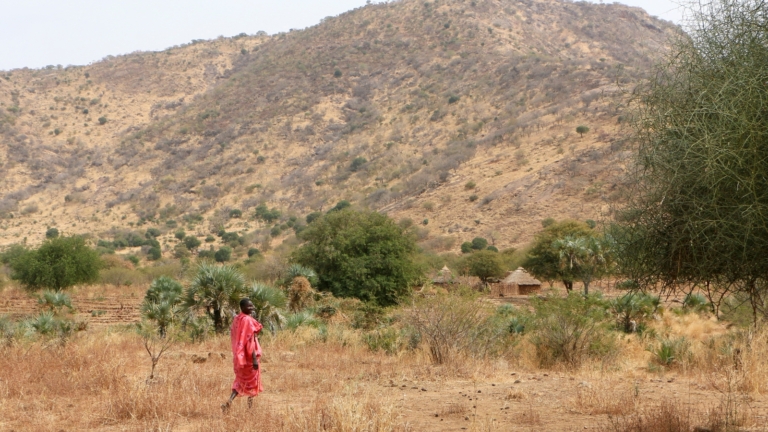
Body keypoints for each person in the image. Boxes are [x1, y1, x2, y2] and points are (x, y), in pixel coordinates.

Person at [222, 298, 263, 413]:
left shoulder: (237, 318)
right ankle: (250, 409)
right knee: (253, 382)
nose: (251, 308)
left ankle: (229, 401)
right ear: (242, 307)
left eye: (252, 306)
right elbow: (249, 341)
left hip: (240, 357)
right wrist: (254, 359)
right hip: (249, 357)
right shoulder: (247, 320)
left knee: (240, 381)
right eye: (249, 306)